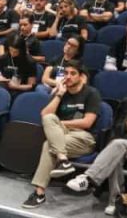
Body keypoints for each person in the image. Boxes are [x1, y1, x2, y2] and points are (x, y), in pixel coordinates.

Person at [66, 73, 127, 212]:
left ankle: (88, 178)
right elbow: (115, 128)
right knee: (117, 153)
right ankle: (115, 201)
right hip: (123, 143)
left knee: (117, 145)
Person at [23, 60, 102, 208]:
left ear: (81, 77)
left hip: (83, 137)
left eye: (73, 73)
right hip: (61, 135)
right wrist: (59, 95)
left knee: (49, 144)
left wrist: (60, 124)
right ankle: (63, 160)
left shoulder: (91, 93)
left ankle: (39, 194)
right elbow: (45, 115)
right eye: (66, 73)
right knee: (48, 119)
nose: (68, 76)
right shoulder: (62, 93)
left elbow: (87, 123)